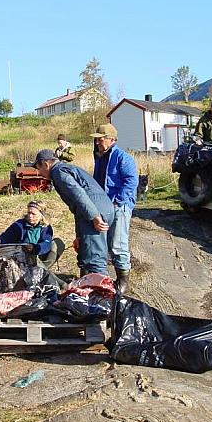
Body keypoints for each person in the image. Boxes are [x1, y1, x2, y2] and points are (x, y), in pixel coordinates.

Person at [32, 149, 115, 275]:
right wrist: (79, 236)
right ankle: (87, 288)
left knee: (94, 260)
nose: (39, 173)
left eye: (39, 169)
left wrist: (95, 217)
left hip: (94, 211)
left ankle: (102, 292)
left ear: (46, 164)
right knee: (86, 254)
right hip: (100, 209)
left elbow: (79, 195)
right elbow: (77, 207)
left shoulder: (59, 173)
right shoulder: (66, 168)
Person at [91, 124, 138, 294]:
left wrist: (117, 201)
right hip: (103, 206)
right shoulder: (100, 157)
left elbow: (131, 182)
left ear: (111, 139)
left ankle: (123, 281)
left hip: (119, 206)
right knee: (104, 243)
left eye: (100, 139)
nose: (97, 142)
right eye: (96, 139)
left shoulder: (122, 158)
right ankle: (102, 278)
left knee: (118, 244)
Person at [0, 200, 64, 270]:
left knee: (57, 243)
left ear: (41, 215)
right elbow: (7, 236)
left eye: (33, 214)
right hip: (21, 256)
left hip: (39, 255)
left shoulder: (45, 227)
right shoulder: (19, 225)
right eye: (29, 213)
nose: (30, 216)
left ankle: (43, 268)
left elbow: (46, 243)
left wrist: (35, 248)